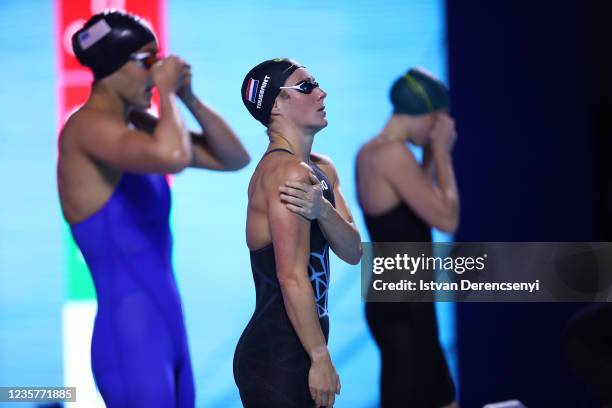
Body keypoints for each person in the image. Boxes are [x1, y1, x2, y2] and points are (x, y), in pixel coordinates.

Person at [57, 10, 249, 407]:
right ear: (113, 66)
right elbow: (174, 156)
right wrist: (167, 93)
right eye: (147, 61)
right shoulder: (85, 128)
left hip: (168, 330)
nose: (156, 71)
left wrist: (188, 97)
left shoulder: (141, 126)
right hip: (130, 336)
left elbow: (233, 156)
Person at [233, 58, 362, 408]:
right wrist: (319, 356)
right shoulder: (284, 173)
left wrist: (323, 210)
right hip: (277, 354)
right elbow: (290, 277)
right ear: (276, 104)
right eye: (306, 86)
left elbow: (353, 251)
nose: (322, 92)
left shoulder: (322, 169)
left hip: (299, 346)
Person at [356, 67, 459, 407]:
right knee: (424, 396)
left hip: (400, 297)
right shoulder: (391, 154)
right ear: (425, 114)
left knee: (437, 395)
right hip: (403, 305)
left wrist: (431, 153)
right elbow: (446, 218)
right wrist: (442, 152)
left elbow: (417, 204)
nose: (436, 132)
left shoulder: (376, 151)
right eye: (436, 123)